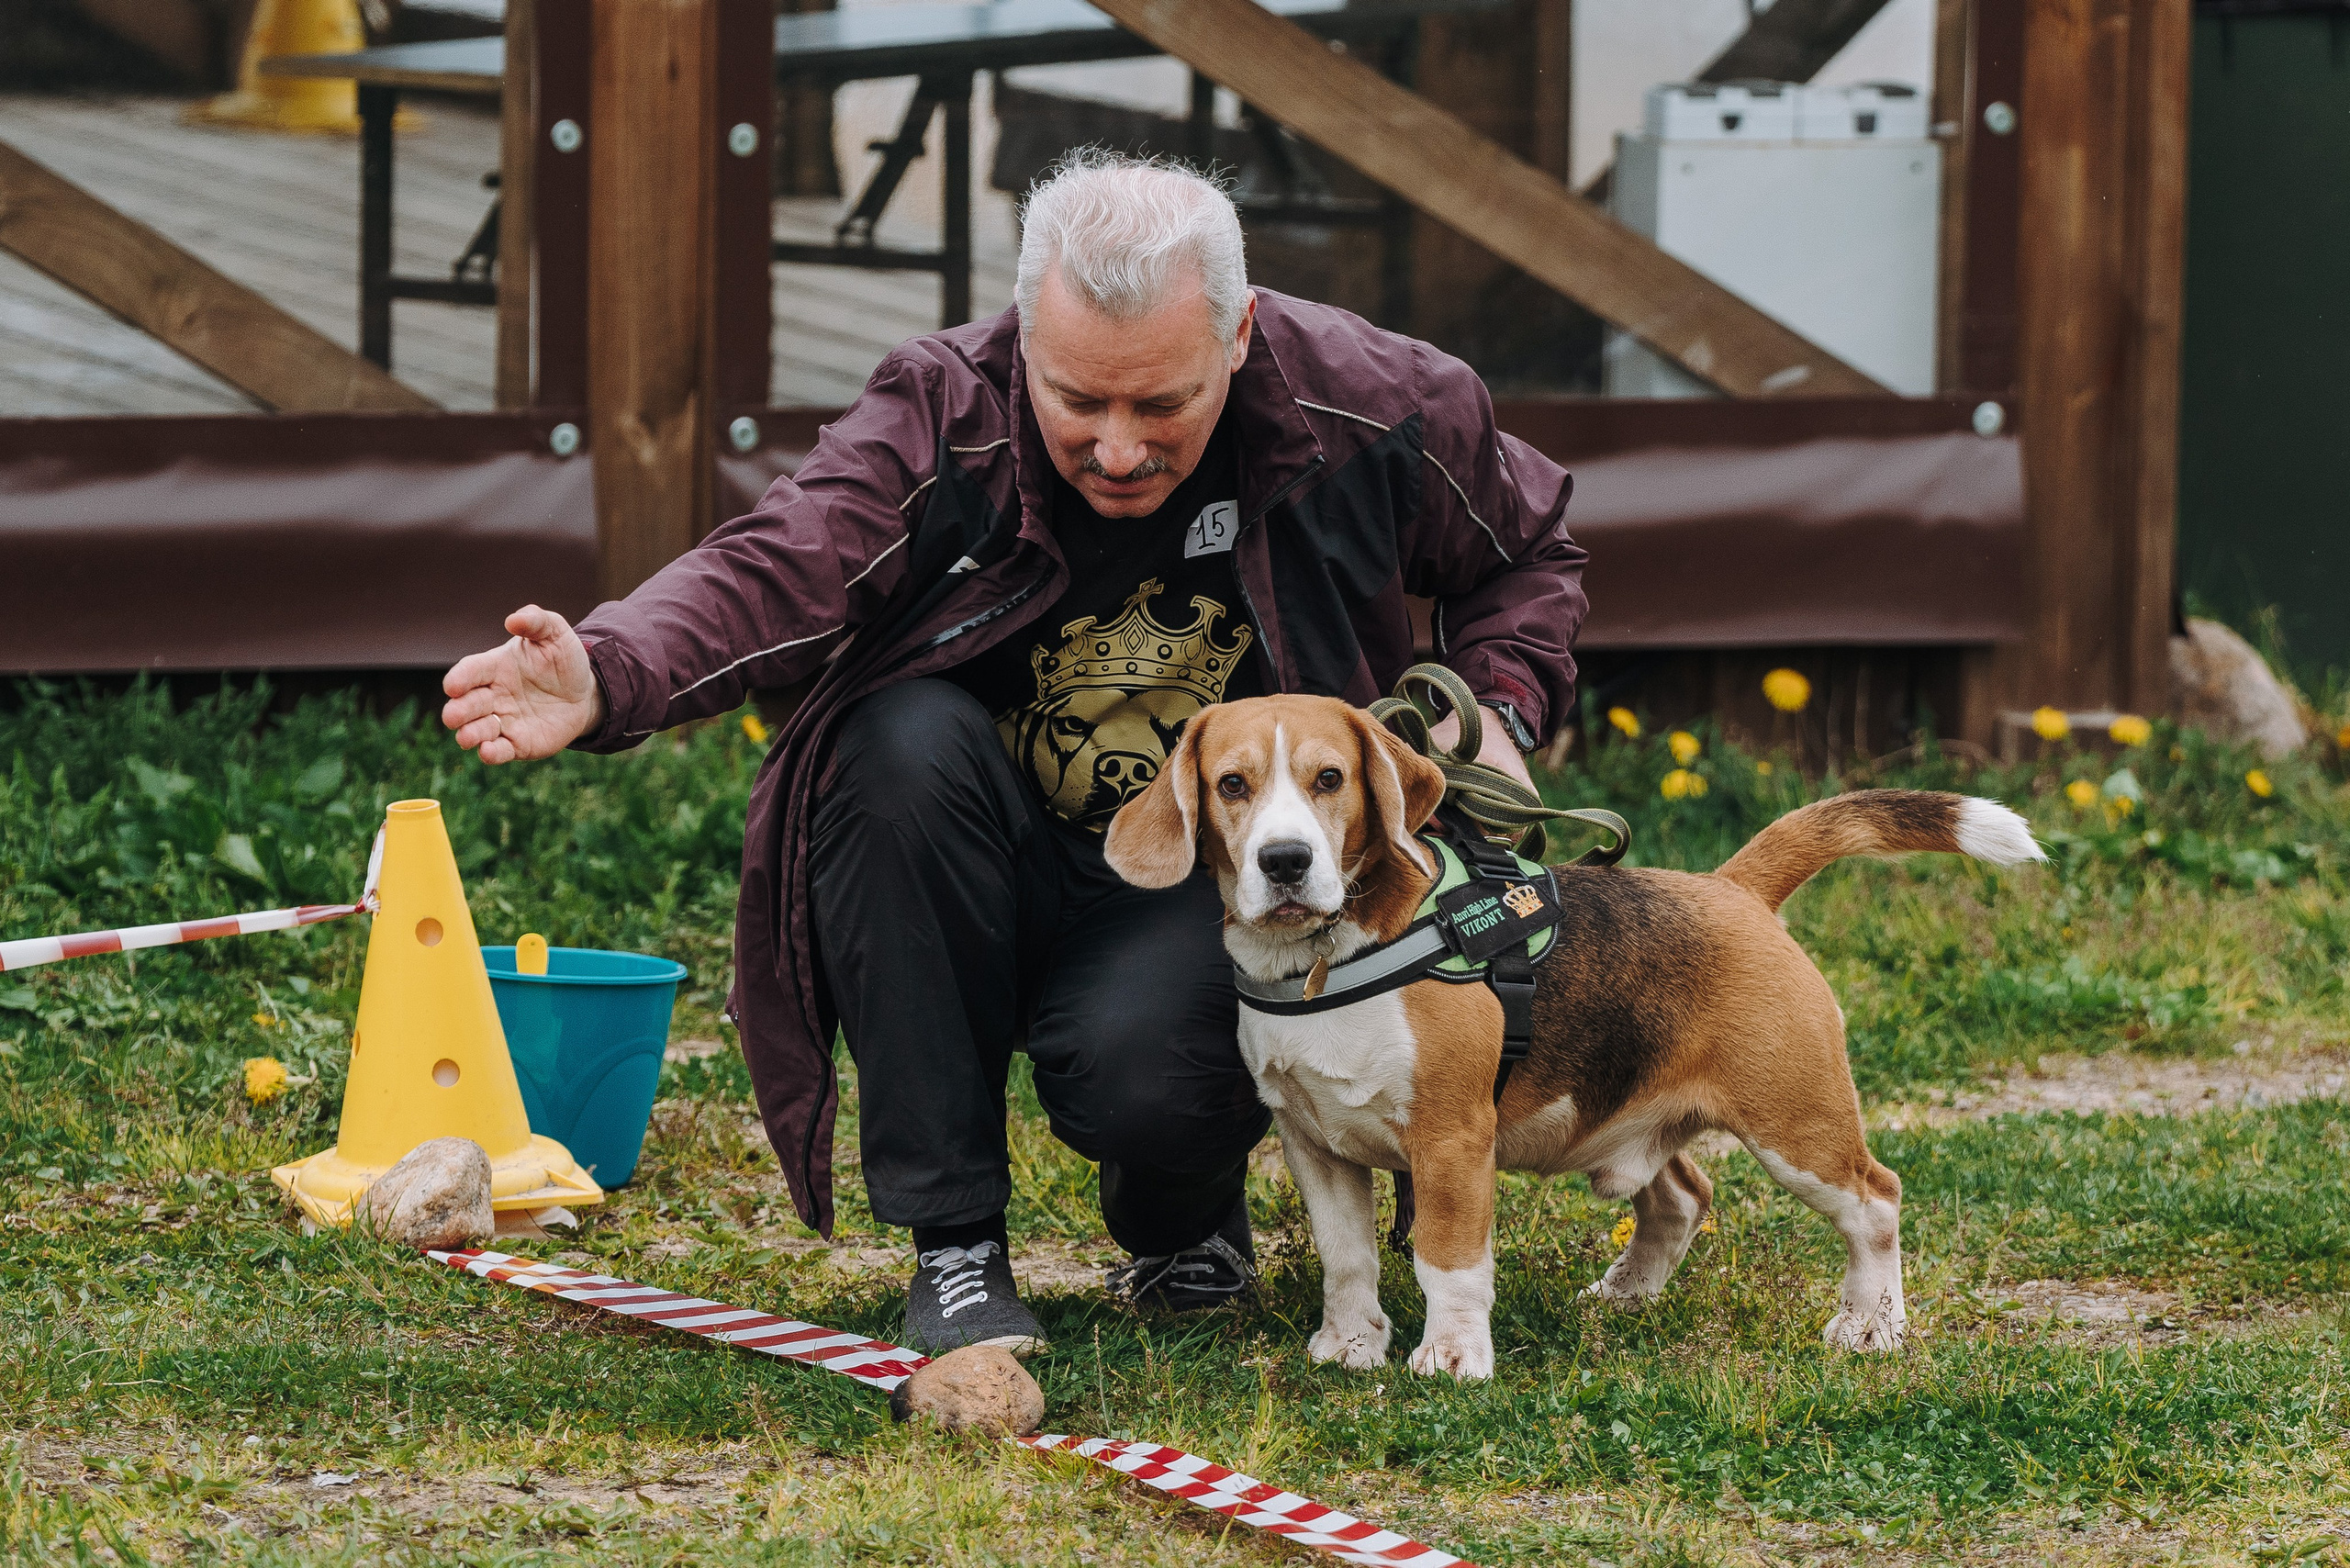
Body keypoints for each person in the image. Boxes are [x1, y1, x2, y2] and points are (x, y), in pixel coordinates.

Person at [440, 149, 1587, 1357]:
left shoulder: (1382, 404)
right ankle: (958, 1252)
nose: (1120, 447)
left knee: (1146, 1083)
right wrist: (614, 665)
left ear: (1241, 336)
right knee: (892, 744)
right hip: (969, 850)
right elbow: (784, 558)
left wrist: (1499, 712)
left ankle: (1183, 1220)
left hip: (1213, 873)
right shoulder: (942, 404)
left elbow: (1529, 551)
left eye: (1163, 405)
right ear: (1025, 339)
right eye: (1078, 401)